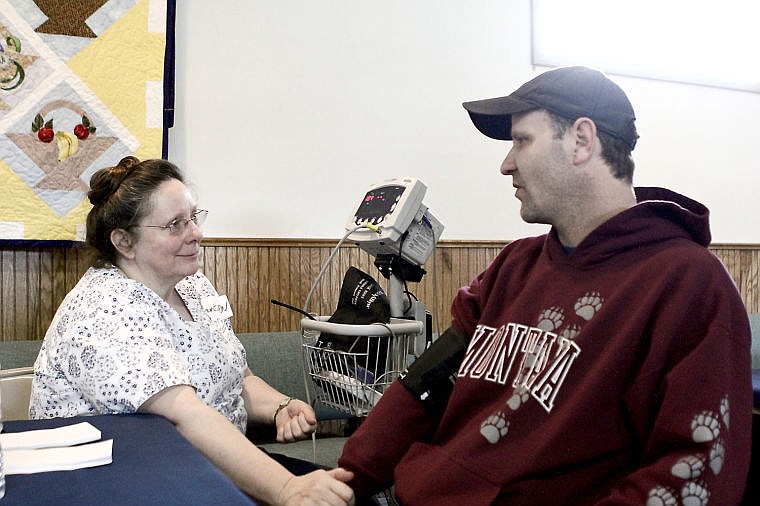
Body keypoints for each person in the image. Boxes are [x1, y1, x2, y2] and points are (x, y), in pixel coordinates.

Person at [338, 66, 752, 504]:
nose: (506, 164)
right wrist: (345, 480)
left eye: (522, 140)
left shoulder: (688, 285)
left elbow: (693, 475)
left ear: (581, 140)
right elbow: (423, 387)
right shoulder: (514, 266)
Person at [30, 157, 355, 506]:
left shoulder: (191, 284)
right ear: (124, 242)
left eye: (193, 218)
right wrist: (287, 490)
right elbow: (184, 417)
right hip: (123, 485)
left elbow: (236, 377)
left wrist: (280, 407)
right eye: (175, 225)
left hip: (198, 470)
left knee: (353, 496)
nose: (196, 233)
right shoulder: (103, 309)